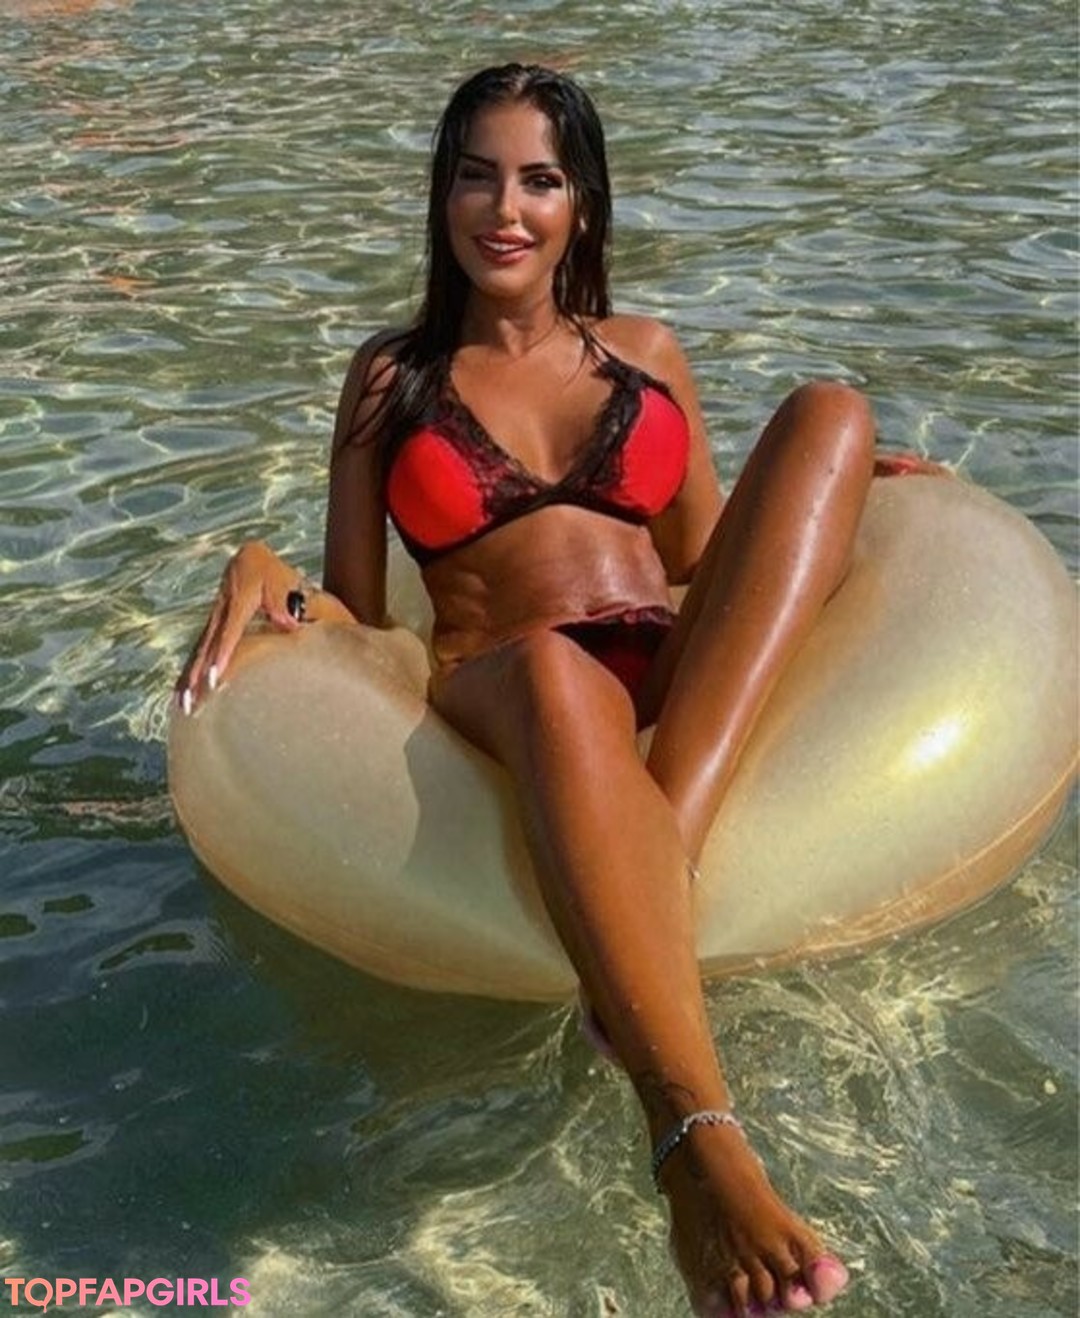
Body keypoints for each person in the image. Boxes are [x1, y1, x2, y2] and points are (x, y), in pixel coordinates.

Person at [178, 63, 879, 1318]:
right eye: (477, 176)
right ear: (442, 195)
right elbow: (361, 619)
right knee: (560, 667)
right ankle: (693, 1137)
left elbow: (704, 562)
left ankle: (658, 850)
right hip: (509, 679)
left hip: (665, 671)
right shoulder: (392, 377)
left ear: (580, 204)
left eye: (539, 180)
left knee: (832, 409)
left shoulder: (645, 352)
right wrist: (260, 564)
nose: (505, 210)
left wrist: (834, 491)